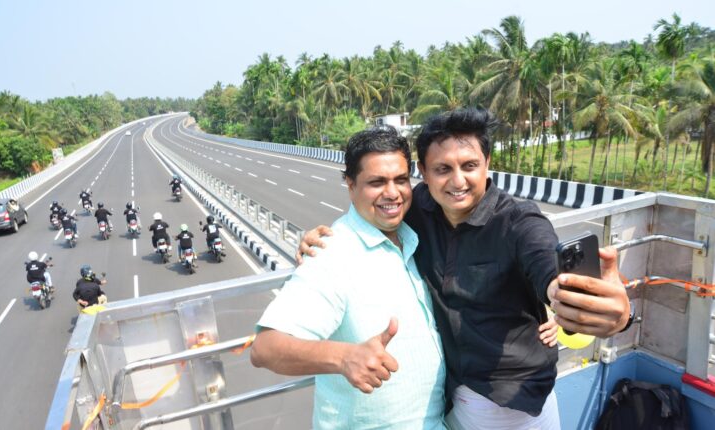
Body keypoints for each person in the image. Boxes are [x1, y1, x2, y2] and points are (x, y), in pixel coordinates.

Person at [299, 108, 632, 429]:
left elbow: (547, 266)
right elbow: (374, 207)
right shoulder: (420, 207)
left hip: (510, 405)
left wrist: (592, 307)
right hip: (447, 400)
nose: (457, 181)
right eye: (443, 169)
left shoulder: (518, 223)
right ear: (423, 172)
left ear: (487, 163)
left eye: (470, 165)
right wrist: (324, 237)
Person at [251, 126, 450, 429]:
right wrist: (344, 357)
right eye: (376, 182)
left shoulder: (414, 234)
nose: (392, 193)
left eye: (400, 180)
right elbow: (266, 347)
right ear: (350, 184)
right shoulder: (332, 256)